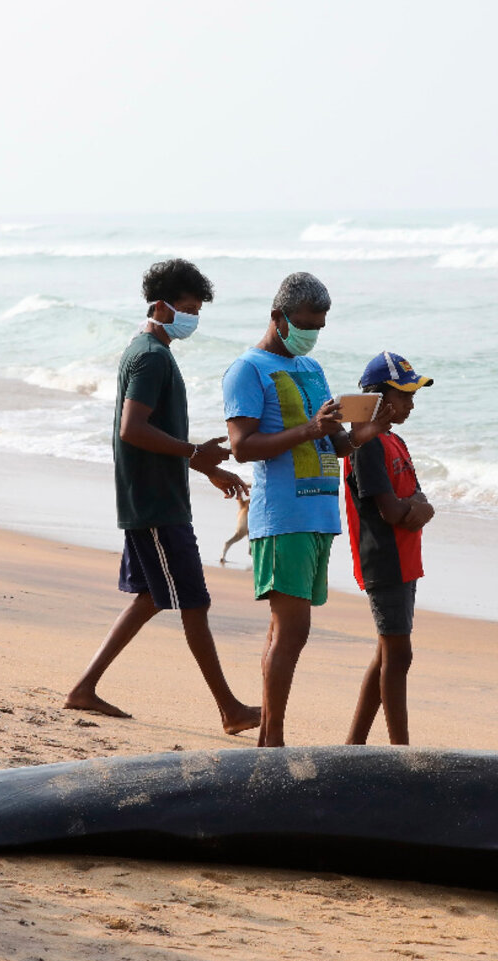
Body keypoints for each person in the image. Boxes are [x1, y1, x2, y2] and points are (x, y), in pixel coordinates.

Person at [65, 259, 260, 736]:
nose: (193, 318)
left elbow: (152, 433)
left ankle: (83, 689)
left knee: (152, 596)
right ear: (161, 306)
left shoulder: (145, 350)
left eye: (197, 310)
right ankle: (230, 710)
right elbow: (134, 430)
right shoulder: (151, 356)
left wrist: (204, 465)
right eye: (188, 309)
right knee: (193, 601)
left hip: (150, 497)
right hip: (155, 504)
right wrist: (195, 451)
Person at [222, 273, 389, 746]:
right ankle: (272, 738)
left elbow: (335, 441)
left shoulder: (311, 369)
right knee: (292, 631)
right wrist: (312, 431)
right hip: (282, 515)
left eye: (320, 325)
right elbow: (242, 447)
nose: (312, 333)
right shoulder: (247, 370)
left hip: (319, 515)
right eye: (306, 324)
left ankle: (268, 736)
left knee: (285, 630)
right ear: (278, 317)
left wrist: (370, 429)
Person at [343, 352, 435, 746]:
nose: (411, 404)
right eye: (404, 396)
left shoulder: (393, 440)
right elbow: (392, 509)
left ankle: (354, 745)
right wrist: (418, 509)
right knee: (399, 655)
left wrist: (418, 508)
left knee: (387, 654)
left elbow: (415, 497)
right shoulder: (367, 445)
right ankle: (401, 749)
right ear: (379, 398)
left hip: (405, 558)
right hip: (384, 558)